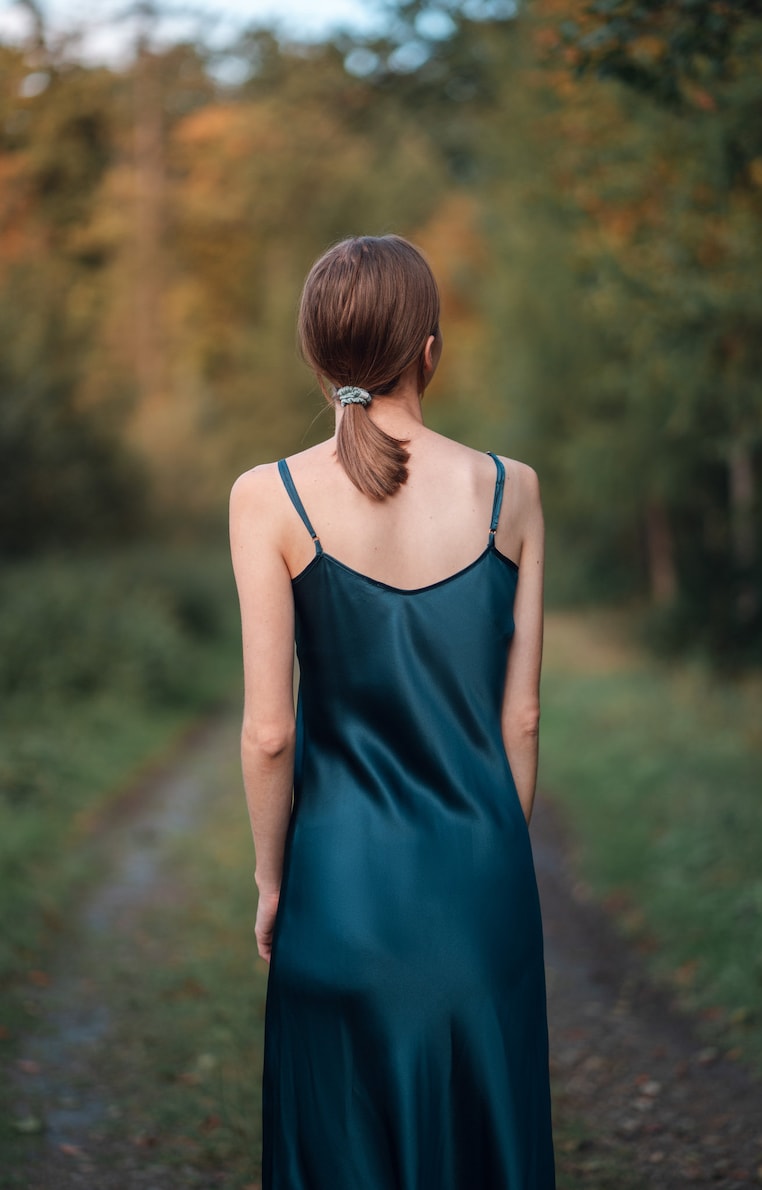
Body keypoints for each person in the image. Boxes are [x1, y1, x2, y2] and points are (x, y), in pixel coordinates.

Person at [229, 234, 555, 1189]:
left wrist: (272, 885)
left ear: (316, 355)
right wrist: (485, 865)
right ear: (429, 350)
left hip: (339, 899)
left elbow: (269, 732)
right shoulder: (514, 491)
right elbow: (523, 720)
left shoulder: (269, 496)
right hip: (481, 896)